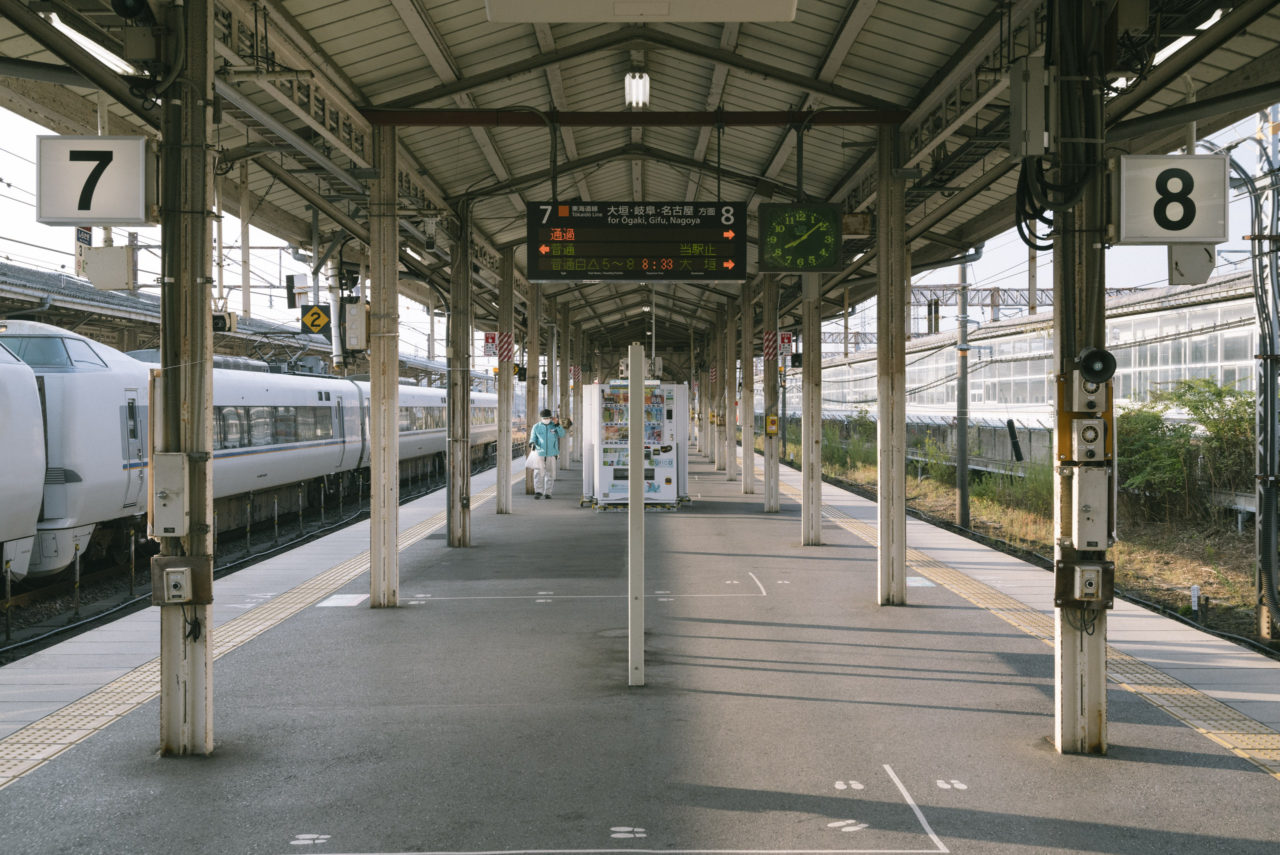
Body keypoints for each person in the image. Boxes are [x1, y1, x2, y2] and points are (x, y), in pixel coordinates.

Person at [529, 408, 566, 499]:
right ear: (541, 418)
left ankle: (548, 492)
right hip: (540, 453)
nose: (546, 419)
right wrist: (532, 443)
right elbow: (532, 438)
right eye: (544, 418)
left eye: (548, 418)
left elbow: (562, 434)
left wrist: (557, 424)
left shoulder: (554, 426)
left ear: (551, 417)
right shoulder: (536, 427)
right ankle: (538, 491)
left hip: (552, 453)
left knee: (550, 473)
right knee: (538, 472)